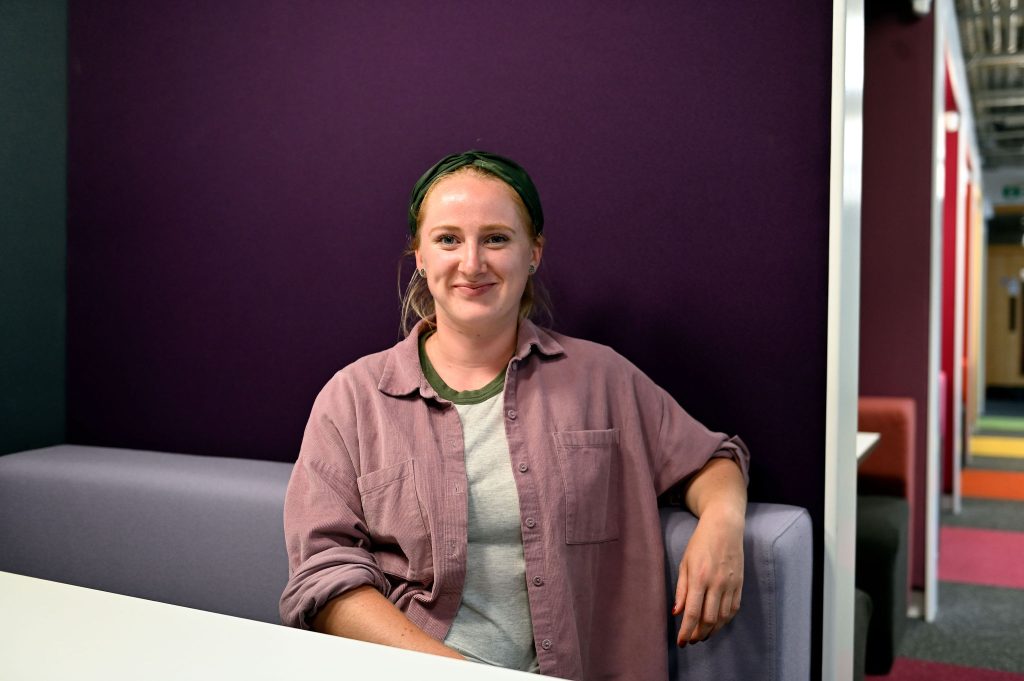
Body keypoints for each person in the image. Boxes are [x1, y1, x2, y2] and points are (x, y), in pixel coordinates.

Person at [279, 150, 750, 680]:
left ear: (534, 254)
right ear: (420, 256)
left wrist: (723, 522)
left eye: (497, 238)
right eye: (448, 239)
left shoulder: (602, 378)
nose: (473, 263)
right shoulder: (353, 398)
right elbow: (324, 575)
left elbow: (711, 459)